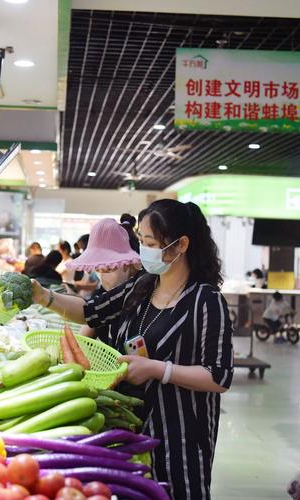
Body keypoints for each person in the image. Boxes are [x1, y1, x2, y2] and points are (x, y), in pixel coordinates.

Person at [31, 199, 233, 499]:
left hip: (182, 434)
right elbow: (90, 311)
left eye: (150, 242)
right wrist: (43, 296)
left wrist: (159, 370)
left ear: (180, 245)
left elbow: (219, 375)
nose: (143, 250)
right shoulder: (142, 286)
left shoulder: (205, 300)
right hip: (135, 428)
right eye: (141, 241)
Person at [65, 218, 142, 343]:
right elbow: (83, 337)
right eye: (99, 268)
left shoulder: (141, 298)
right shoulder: (102, 294)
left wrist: (46, 297)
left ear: (130, 265)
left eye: (109, 268)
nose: (102, 273)